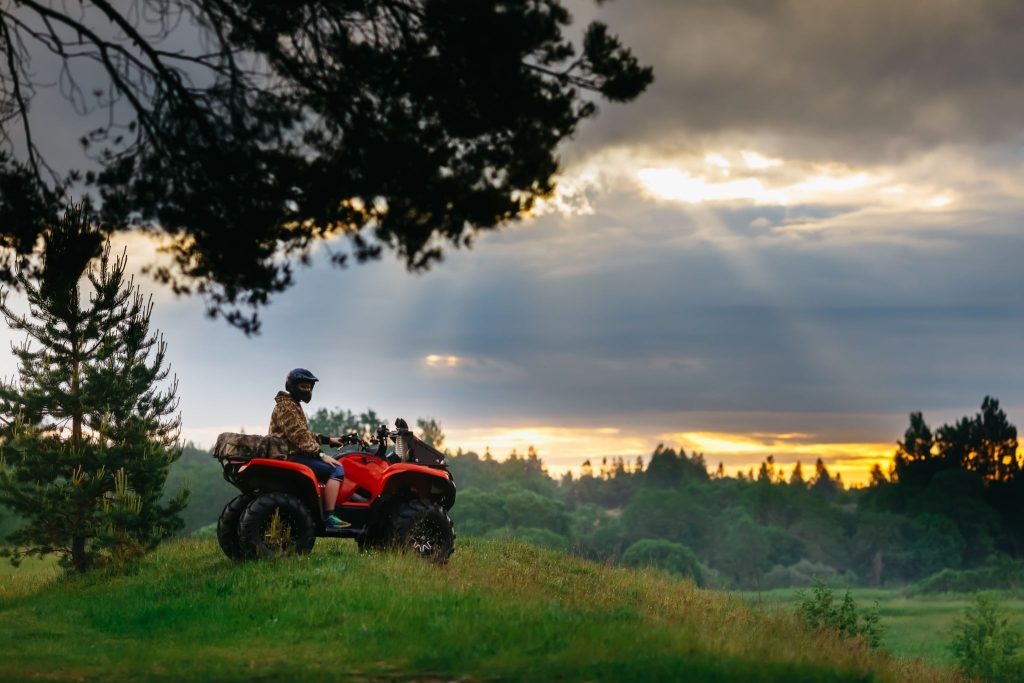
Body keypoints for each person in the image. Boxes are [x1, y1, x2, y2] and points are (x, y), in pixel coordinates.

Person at [268, 368, 348, 531]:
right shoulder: (287, 407)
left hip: (291, 452)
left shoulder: (291, 405)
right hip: (290, 455)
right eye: (303, 386)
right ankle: (329, 516)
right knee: (337, 470)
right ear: (292, 386)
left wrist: (328, 440)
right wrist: (320, 454)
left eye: (309, 387)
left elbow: (303, 433)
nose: (307, 390)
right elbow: (298, 436)